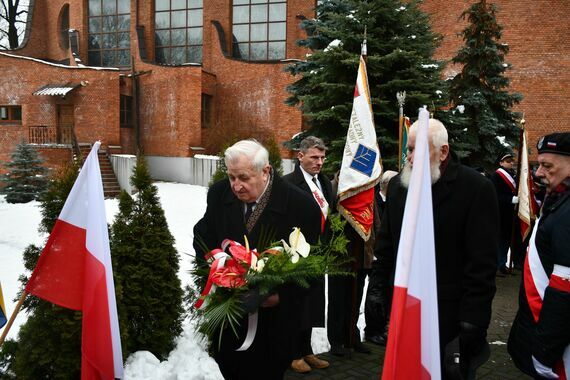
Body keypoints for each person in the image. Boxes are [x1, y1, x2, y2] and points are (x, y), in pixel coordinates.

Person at [377, 118, 499, 379]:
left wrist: (474, 319)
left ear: (443, 151)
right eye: (408, 150)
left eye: (416, 150)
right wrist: (377, 292)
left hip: (450, 318)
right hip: (404, 310)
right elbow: (386, 246)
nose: (409, 157)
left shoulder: (476, 189)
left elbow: (482, 264)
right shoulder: (400, 187)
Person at [193, 139, 322, 380]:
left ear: (266, 171)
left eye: (244, 177)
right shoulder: (219, 194)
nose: (236, 186)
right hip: (230, 318)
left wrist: (279, 296)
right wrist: (218, 263)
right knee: (231, 369)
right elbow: (203, 234)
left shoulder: (301, 206)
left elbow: (314, 268)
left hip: (275, 326)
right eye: (232, 177)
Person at [508, 132, 570, 379]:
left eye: (547, 166)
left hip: (555, 350)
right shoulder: (559, 200)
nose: (538, 173)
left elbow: (564, 291)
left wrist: (544, 353)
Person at [283, 136, 332, 373]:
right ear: (300, 156)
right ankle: (292, 354)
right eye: (314, 157)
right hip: (296, 255)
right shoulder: (288, 183)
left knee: (311, 304)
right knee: (296, 305)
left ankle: (306, 350)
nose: (320, 162)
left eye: (322, 157)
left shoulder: (324, 182)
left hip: (318, 254)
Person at [364, 170, 398, 346]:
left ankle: (383, 327)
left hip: (388, 256)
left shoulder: (393, 201)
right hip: (375, 254)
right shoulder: (374, 201)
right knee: (375, 294)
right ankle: (372, 330)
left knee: (386, 293)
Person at [490, 150, 519, 276]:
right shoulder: (496, 176)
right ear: (501, 163)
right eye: (508, 161)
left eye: (512, 161)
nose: (511, 163)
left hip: (509, 214)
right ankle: (496, 266)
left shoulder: (512, 175)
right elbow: (494, 195)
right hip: (500, 213)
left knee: (506, 240)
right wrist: (510, 199)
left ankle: (502, 265)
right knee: (499, 241)